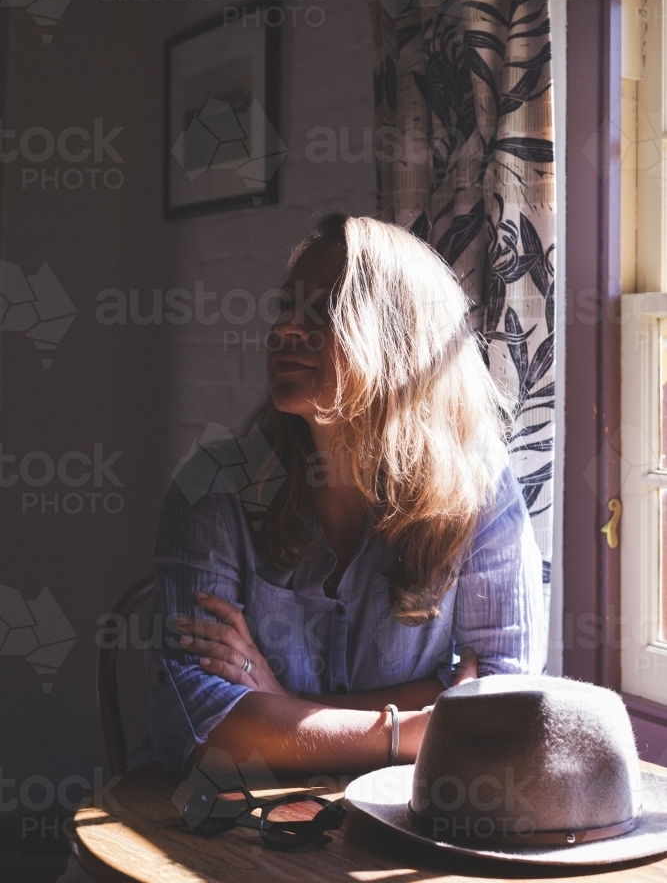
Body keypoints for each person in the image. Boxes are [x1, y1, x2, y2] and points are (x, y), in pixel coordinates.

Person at [145, 213, 544, 779]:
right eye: (285, 306)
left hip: (408, 819)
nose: (284, 329)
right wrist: (416, 725)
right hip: (237, 825)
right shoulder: (211, 488)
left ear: (402, 340)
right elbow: (191, 725)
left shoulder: (478, 485)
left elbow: (504, 710)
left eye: (325, 311)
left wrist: (279, 705)